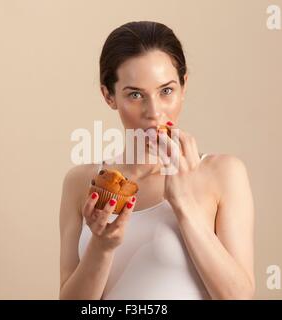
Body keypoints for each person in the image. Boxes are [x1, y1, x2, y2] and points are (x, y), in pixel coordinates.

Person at [59, 21, 255, 300]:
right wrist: (102, 246)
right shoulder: (81, 182)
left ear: (184, 85)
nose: (154, 111)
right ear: (109, 96)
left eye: (166, 91)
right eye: (135, 95)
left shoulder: (222, 173)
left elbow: (240, 297)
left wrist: (183, 203)